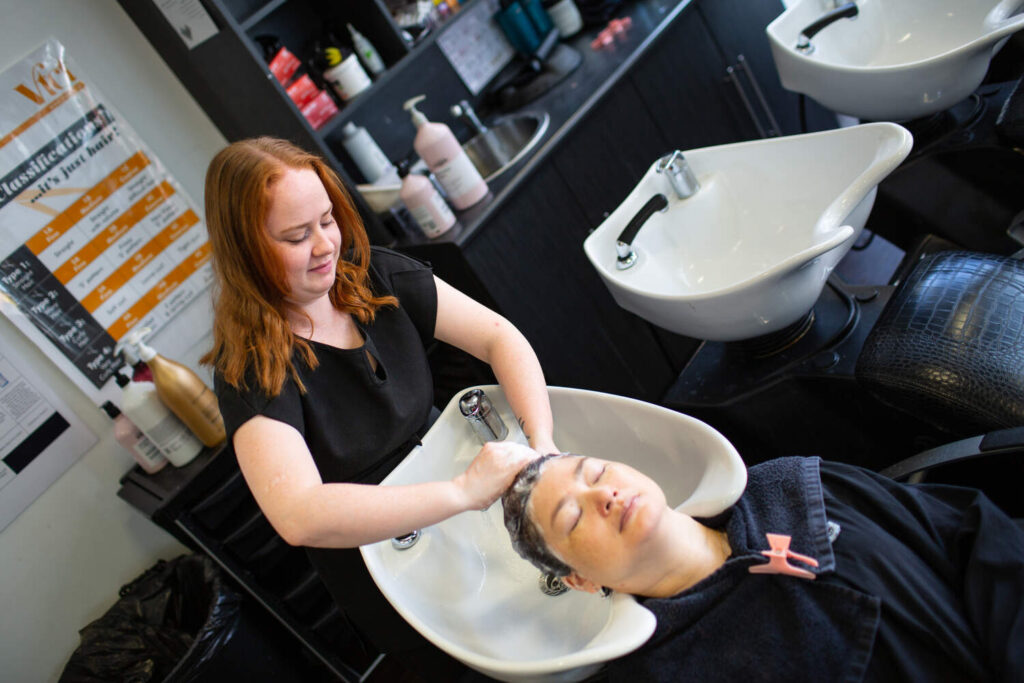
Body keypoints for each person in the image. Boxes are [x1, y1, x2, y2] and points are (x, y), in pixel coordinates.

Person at [201, 137, 557, 670]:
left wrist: (542, 446)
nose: (324, 245)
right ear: (246, 251)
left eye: (326, 220)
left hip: (472, 505)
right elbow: (300, 515)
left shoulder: (373, 277)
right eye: (297, 236)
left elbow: (499, 339)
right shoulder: (253, 371)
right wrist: (461, 492)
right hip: (391, 561)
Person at [501, 450, 1024, 682]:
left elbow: (969, 533)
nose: (604, 495)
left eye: (597, 471)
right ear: (581, 580)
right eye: (572, 516)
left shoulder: (792, 486)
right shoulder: (664, 672)